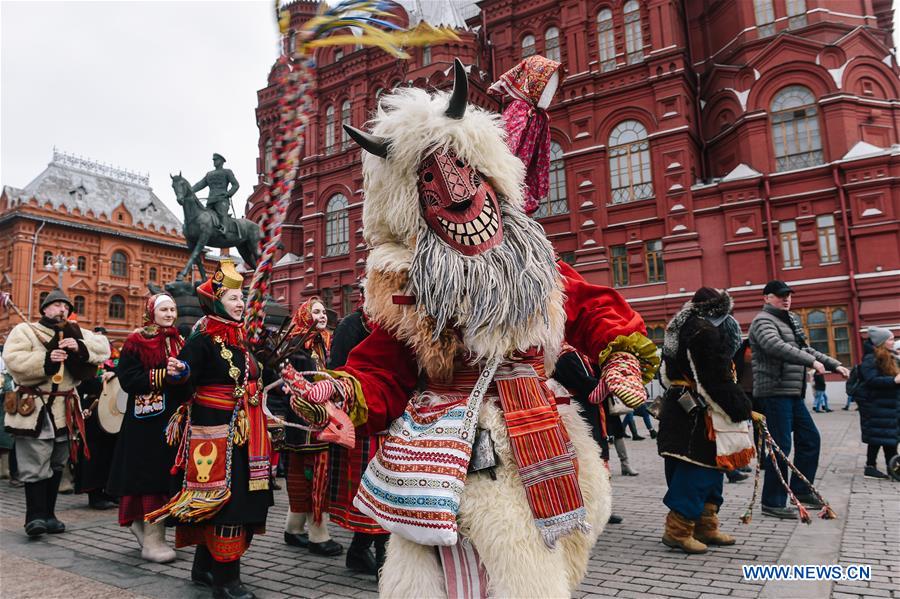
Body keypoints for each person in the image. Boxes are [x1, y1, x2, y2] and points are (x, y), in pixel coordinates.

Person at [324, 60, 658, 597]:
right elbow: (381, 366)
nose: (456, 193)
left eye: (461, 169)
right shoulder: (409, 282)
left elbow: (595, 309)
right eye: (430, 181)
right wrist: (339, 390)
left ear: (487, 172)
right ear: (413, 203)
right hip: (440, 456)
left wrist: (621, 354)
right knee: (446, 575)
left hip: (538, 438)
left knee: (537, 565)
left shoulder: (534, 261)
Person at [149, 260, 273, 599]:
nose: (239, 302)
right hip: (215, 435)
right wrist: (179, 371)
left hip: (244, 432)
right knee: (223, 502)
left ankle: (204, 567)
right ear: (216, 301)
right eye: (232, 297)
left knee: (237, 500)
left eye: (241, 296)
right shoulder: (203, 336)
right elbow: (186, 371)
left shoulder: (241, 337)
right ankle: (225, 580)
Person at [2, 288, 110, 537]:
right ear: (45, 309)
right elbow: (13, 360)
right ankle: (34, 517)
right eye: (56, 305)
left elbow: (103, 346)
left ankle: (50, 515)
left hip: (64, 407)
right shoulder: (25, 330)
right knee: (35, 461)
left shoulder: (74, 331)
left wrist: (80, 345)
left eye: (66, 307)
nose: (62, 309)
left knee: (58, 461)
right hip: (35, 406)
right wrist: (46, 360)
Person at [657, 288, 754, 553]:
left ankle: (705, 527)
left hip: (681, 406)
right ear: (720, 310)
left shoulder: (678, 326)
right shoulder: (704, 332)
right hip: (697, 414)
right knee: (696, 472)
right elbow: (713, 379)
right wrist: (740, 407)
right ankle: (678, 531)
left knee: (708, 470)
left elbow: (664, 374)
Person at [749, 280, 850, 519]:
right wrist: (810, 362)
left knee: (810, 438)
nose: (786, 299)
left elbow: (807, 349)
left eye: (788, 295)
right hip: (773, 392)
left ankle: (801, 491)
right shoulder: (762, 321)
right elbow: (776, 346)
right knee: (780, 447)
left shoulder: (791, 320)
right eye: (780, 295)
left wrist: (834, 364)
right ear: (766, 298)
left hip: (793, 392)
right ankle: (772, 502)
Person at [107, 294, 183, 563]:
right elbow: (127, 379)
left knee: (167, 476)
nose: (169, 313)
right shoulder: (136, 340)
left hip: (172, 420)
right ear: (151, 311)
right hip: (145, 423)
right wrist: (164, 375)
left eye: (173, 308)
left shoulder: (179, 340)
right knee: (151, 477)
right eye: (164, 309)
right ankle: (153, 540)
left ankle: (150, 531)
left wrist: (185, 372)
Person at [326, 303, 390, 577]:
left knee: (387, 489)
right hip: (364, 418)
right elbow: (339, 370)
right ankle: (382, 562)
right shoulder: (351, 326)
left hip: (392, 415)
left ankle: (359, 552)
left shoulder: (393, 322)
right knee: (375, 489)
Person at [279, 298, 342, 557]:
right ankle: (318, 534)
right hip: (306, 423)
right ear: (304, 316)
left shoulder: (325, 342)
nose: (322, 315)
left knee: (304, 476)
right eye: (315, 312)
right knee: (316, 477)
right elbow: (291, 382)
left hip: (320, 421)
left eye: (324, 311)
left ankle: (293, 529)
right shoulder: (295, 345)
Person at [74, 326, 119, 510]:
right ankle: (94, 494)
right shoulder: (84, 362)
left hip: (112, 412)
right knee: (94, 453)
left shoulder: (115, 361)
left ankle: (109, 491)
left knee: (110, 452)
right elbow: (80, 385)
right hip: (92, 411)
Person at [854, 326, 899, 480]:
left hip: (888, 403)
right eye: (891, 339)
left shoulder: (890, 356)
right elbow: (871, 380)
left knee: (886, 436)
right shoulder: (871, 358)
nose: (893, 342)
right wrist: (894, 380)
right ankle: (874, 466)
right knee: (880, 436)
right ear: (881, 342)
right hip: (876, 404)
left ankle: (888, 466)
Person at [192, 153, 239, 235]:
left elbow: (236, 185)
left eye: (216, 160)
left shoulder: (227, 172)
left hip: (222, 200)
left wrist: (228, 194)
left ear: (221, 161)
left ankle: (225, 229)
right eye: (213, 160)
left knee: (221, 213)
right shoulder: (209, 174)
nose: (214, 162)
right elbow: (200, 184)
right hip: (211, 200)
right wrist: (190, 190)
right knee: (204, 215)